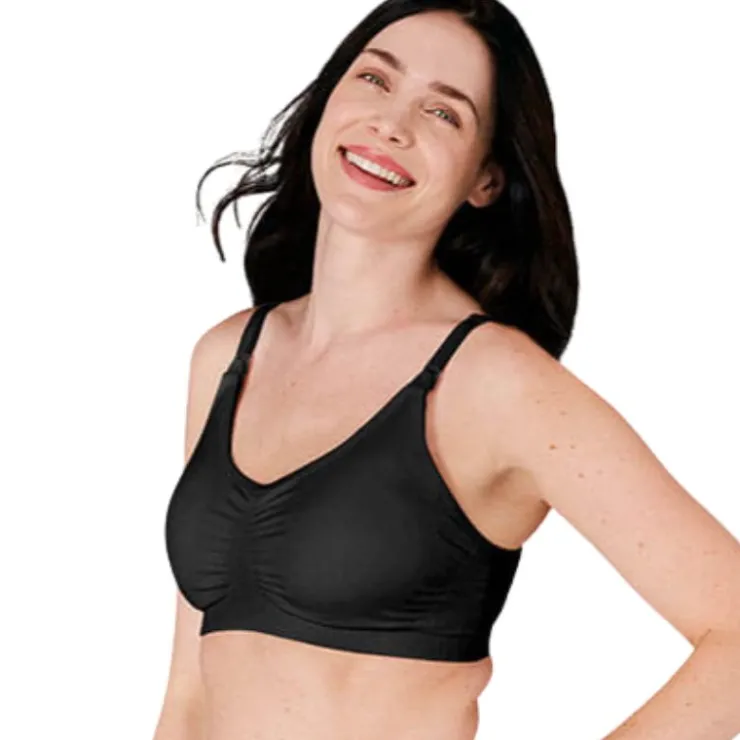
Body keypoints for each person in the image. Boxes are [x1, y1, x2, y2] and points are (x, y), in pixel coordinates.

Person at [155, 2, 740, 739]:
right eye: (374, 80)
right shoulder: (228, 355)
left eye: (443, 113)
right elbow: (187, 697)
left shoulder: (495, 385)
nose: (391, 124)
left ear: (485, 180)